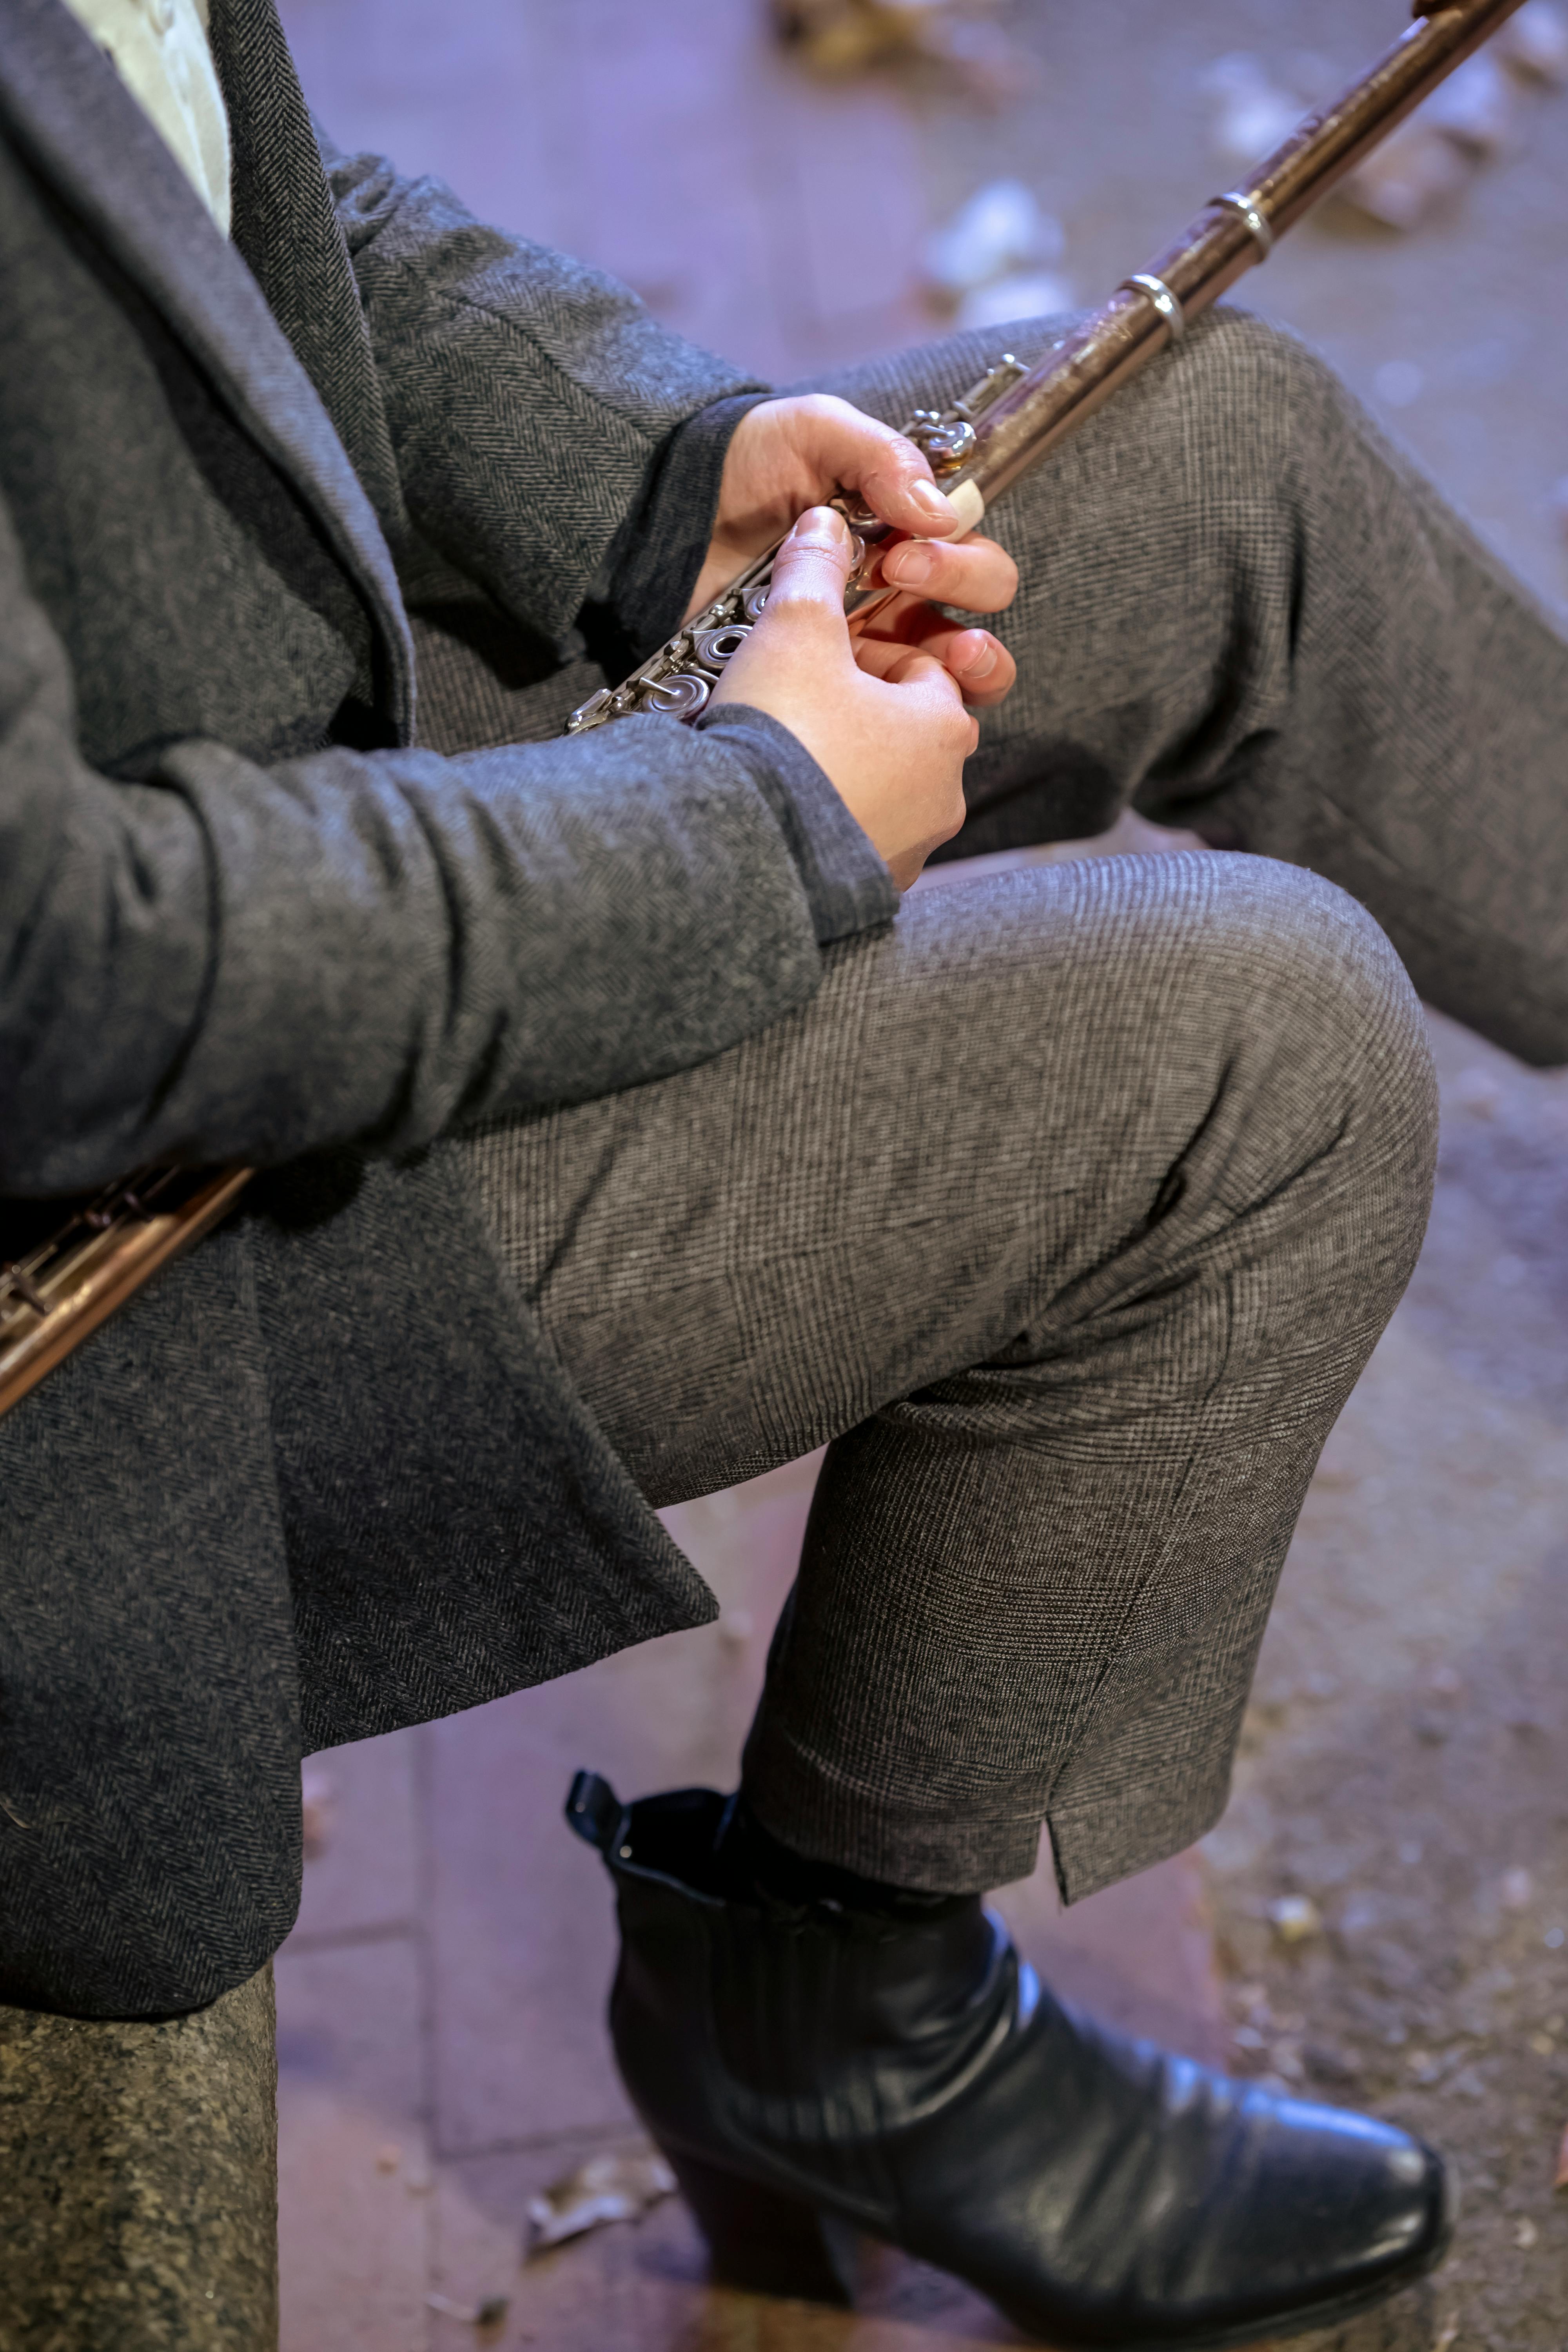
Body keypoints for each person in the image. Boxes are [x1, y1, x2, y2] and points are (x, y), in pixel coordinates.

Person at [3, 0, 1565, 2340]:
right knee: (1260, 1054)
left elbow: (221, 183)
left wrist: (675, 452)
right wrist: (749, 824)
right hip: (123, 1288)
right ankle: (844, 2029)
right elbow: (60, 973)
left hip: (243, 749)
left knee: (1215, 462)